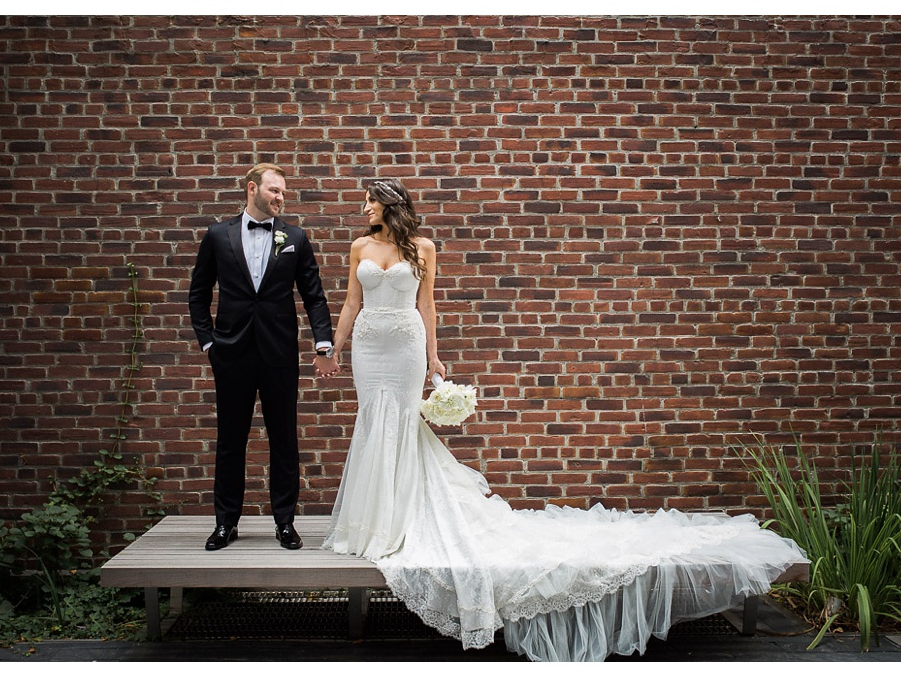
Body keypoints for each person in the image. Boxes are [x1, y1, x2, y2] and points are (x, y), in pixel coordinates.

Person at [324, 179, 806, 661]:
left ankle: (399, 519)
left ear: (391, 205)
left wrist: (433, 358)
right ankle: (372, 520)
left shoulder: (422, 246)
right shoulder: (359, 246)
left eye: (370, 200)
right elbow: (350, 303)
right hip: (370, 346)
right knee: (373, 421)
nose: (364, 207)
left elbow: (427, 305)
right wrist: (336, 349)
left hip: (406, 345)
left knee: (404, 423)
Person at [189, 162, 340, 552]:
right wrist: (209, 343)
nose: (281, 198)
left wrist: (323, 343)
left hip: (279, 353)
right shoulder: (218, 236)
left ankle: (285, 522)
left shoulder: (295, 237)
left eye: (284, 193)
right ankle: (225, 524)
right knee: (230, 440)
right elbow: (198, 293)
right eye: (274, 191)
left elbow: (314, 296)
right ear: (252, 188)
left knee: (284, 439)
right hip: (232, 353)